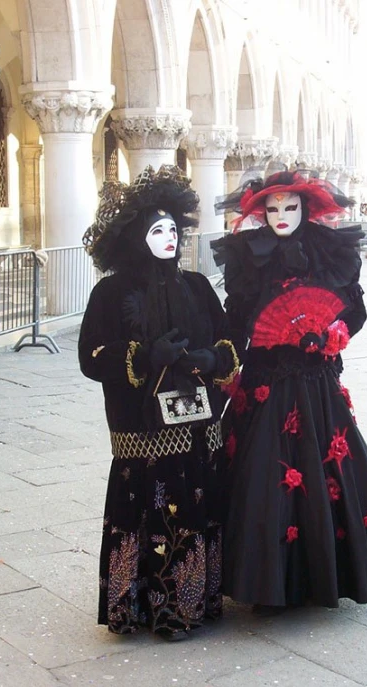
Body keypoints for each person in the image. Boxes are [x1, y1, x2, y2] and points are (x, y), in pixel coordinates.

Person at [212, 170, 367, 615]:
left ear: (306, 208)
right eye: (272, 209)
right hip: (266, 382)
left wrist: (334, 331)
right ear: (260, 213)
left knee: (324, 469)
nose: (282, 216)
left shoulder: (328, 251)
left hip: (316, 380)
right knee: (265, 472)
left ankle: (324, 574)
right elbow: (238, 318)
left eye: (290, 207)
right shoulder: (248, 257)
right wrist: (224, 358)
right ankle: (268, 581)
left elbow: (355, 310)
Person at [78, 166, 239, 640]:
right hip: (142, 431)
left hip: (195, 426)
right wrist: (145, 357)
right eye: (156, 230)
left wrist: (214, 358)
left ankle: (187, 606)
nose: (168, 237)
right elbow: (91, 356)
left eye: (172, 228)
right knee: (148, 512)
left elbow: (230, 338)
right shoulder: (110, 293)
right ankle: (140, 607)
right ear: (135, 237)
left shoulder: (197, 286)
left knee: (192, 511)